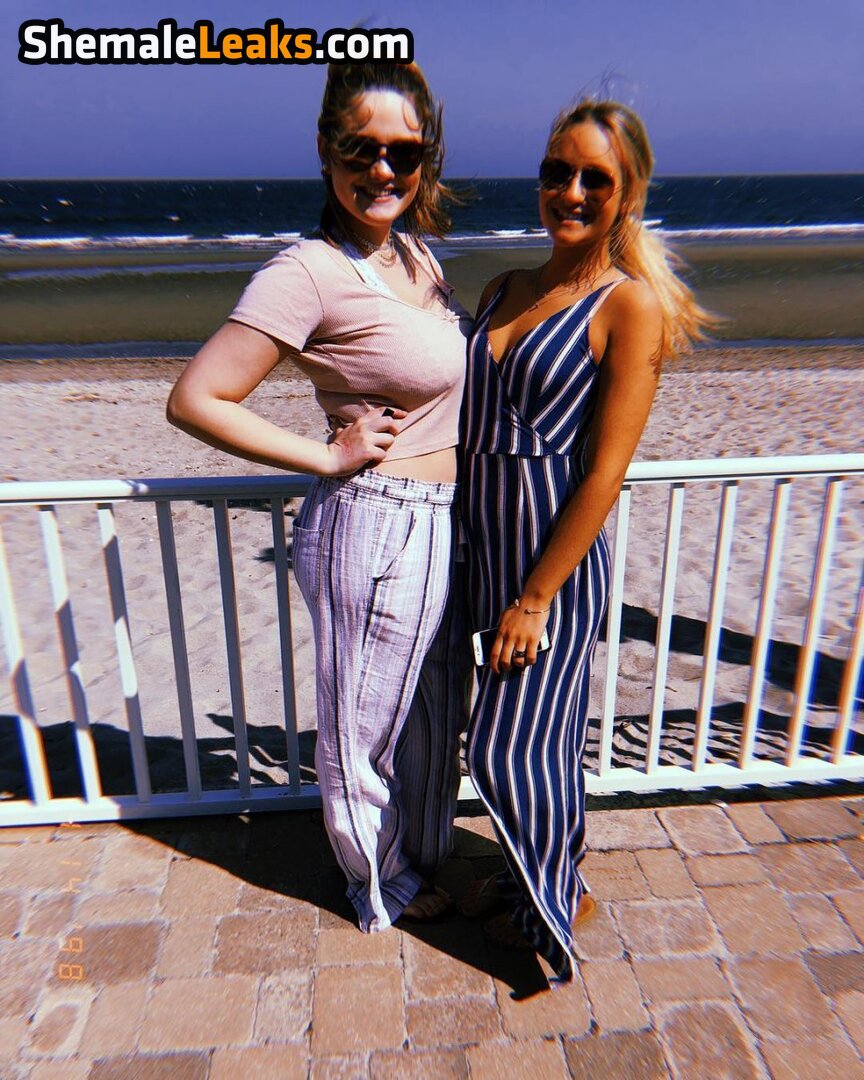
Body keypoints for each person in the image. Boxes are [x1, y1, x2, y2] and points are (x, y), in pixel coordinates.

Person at [167, 62, 473, 931]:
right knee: (358, 729)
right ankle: (377, 889)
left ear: (426, 158)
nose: (382, 168)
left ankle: (406, 857)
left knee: (411, 719)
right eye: (360, 148)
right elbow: (197, 398)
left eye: (403, 151)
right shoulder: (306, 271)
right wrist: (326, 455)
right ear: (325, 149)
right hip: (374, 522)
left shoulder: (412, 254)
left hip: (435, 523)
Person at [457, 99, 712, 980]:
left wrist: (535, 597)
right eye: (555, 172)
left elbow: (604, 473)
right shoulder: (503, 287)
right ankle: (527, 877)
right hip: (480, 551)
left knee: (512, 742)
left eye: (594, 179)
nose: (569, 191)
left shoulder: (628, 306)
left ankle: (560, 898)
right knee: (541, 734)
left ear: (627, 193)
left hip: (549, 568)